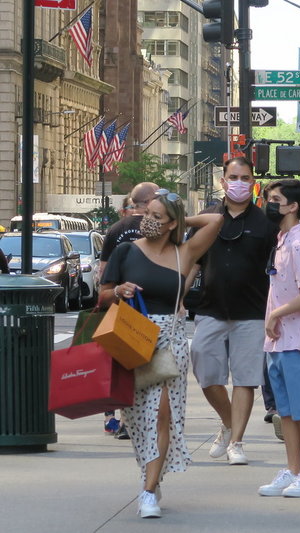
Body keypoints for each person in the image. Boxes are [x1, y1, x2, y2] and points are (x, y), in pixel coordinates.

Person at [99, 189, 223, 518]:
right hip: (132, 338)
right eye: (146, 215)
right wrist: (119, 291)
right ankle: (151, 471)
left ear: (171, 224)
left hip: (168, 341)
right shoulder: (125, 251)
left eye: (157, 217)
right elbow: (101, 295)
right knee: (138, 419)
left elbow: (216, 219)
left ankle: (148, 491)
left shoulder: (184, 252)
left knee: (161, 414)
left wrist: (183, 217)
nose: (148, 221)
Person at [189, 156, 279, 466]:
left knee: (245, 379)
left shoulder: (266, 222)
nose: (238, 182)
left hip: (252, 312)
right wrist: (177, 297)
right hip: (211, 309)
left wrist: (277, 312)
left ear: (253, 182)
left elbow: (277, 269)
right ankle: (227, 423)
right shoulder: (207, 217)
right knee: (205, 370)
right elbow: (192, 261)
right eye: (233, 176)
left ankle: (237, 442)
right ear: (223, 180)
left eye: (245, 177)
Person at [258, 178, 300, 498]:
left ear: (292, 206)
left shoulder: (299, 243)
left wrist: (274, 315)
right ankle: (294, 470)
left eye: (275, 199)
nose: (270, 204)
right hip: (280, 339)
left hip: (297, 339)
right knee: (285, 409)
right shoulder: (283, 239)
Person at [98, 181, 159, 440]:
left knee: (119, 364)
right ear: (148, 202)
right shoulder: (158, 228)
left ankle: (113, 417)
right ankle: (132, 419)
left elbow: (103, 272)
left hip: (120, 306)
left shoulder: (115, 230)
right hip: (149, 305)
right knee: (145, 367)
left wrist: (111, 294)